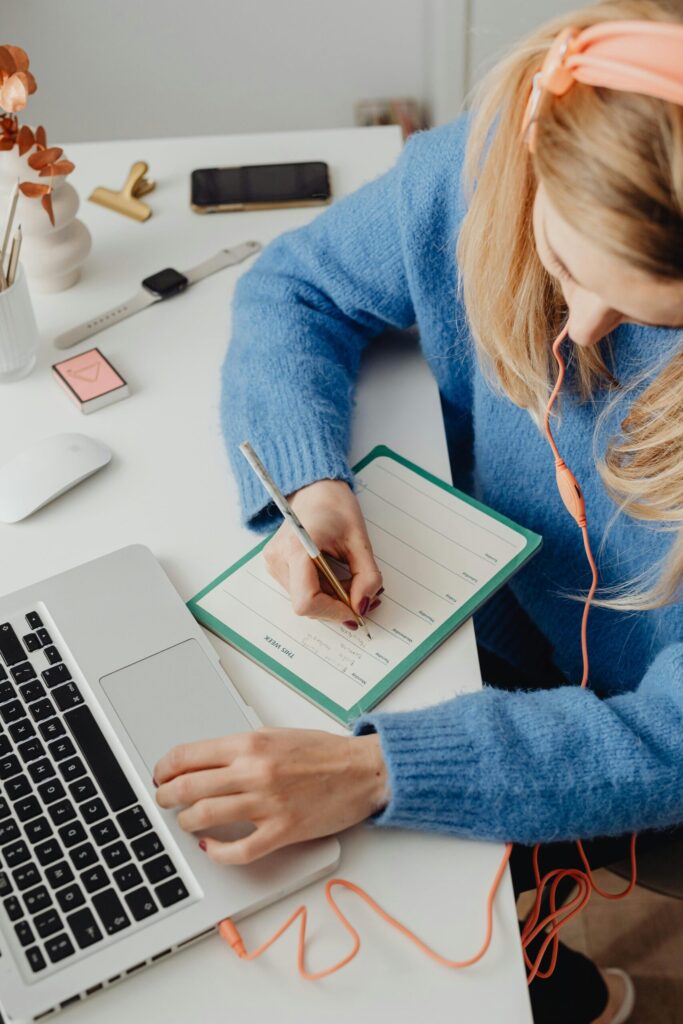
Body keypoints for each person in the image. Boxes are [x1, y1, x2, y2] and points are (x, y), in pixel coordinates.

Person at [154, 2, 683, 1021]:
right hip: (486, 615)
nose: (579, 333)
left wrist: (378, 773)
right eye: (566, 270)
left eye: (657, 315)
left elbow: (666, 743)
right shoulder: (474, 168)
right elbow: (295, 289)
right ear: (532, 148)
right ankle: (553, 981)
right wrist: (311, 479)